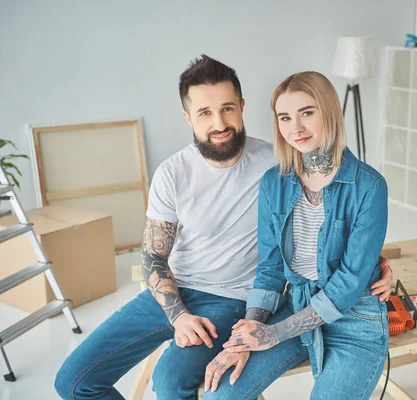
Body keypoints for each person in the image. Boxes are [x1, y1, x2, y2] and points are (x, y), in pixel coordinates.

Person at [54, 55, 392, 400]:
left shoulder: (279, 160)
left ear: (242, 106)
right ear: (188, 117)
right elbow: (157, 254)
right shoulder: (194, 174)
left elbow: (341, 240)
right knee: (72, 382)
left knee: (171, 382)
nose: (219, 122)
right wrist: (182, 316)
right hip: (185, 292)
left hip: (241, 301)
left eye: (227, 108)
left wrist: (374, 263)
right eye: (204, 112)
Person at [203, 71, 389, 400]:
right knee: (221, 395)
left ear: (329, 110)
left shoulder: (369, 186)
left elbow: (349, 282)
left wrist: (275, 333)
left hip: (355, 322)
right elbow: (271, 268)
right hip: (295, 305)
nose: (296, 128)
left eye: (307, 113)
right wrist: (247, 334)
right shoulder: (274, 183)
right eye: (285, 117)